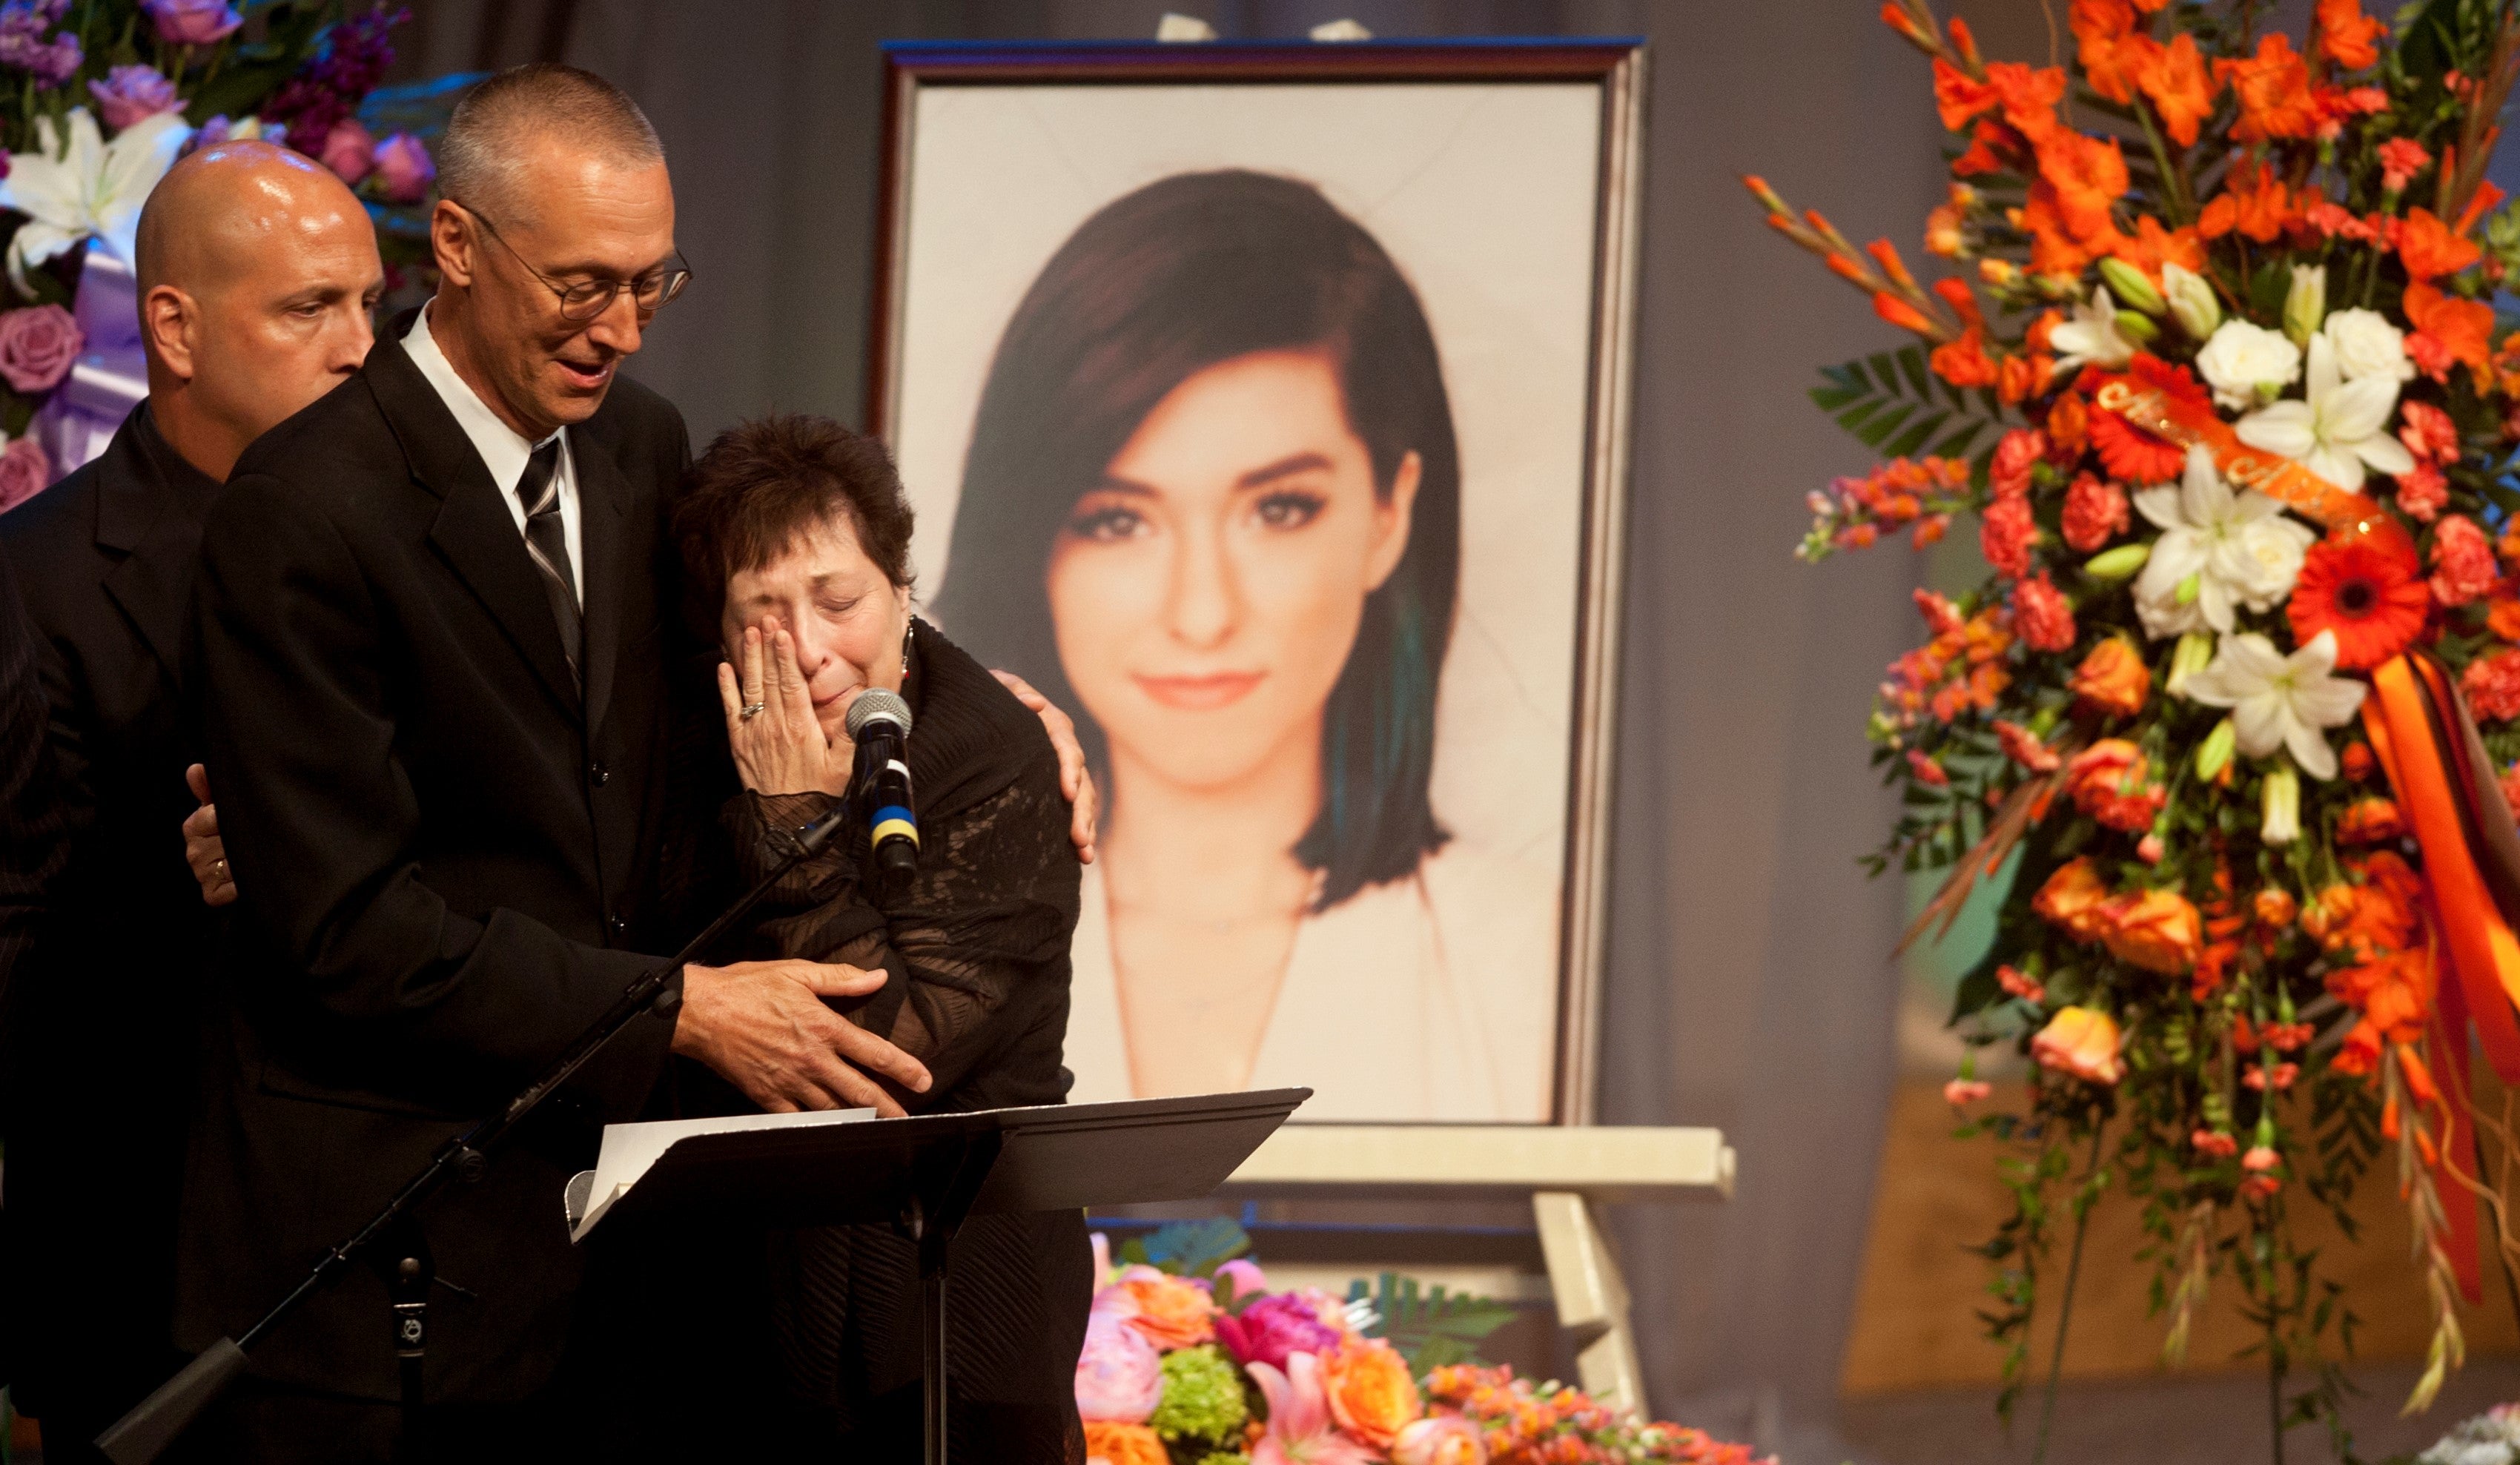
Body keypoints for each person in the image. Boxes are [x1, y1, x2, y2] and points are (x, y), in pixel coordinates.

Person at [176, 66, 936, 1460]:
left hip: (621, 1265)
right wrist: (679, 1012)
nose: (622, 330)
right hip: (392, 1261)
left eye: (655, 284)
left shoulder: (636, 445)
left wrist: (1005, 716)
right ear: (456, 247)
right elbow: (347, 931)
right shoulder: (304, 507)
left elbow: (779, 649)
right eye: (582, 286)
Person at [936, 168, 1555, 1120]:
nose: (1201, 612)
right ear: (1033, 542)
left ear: (1390, 513)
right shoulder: (931, 945)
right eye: (1117, 519)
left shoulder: (1525, 963)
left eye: (1278, 509)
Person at [0, 140, 383, 1462]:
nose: (355, 349)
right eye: (306, 309)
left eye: (368, 308)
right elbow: (24, 964)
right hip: (143, 1271)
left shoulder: (419, 558)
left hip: (389, 1261)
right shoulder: (37, 580)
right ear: (172, 326)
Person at [637, 414, 1087, 1458]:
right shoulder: (694, 732)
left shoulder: (995, 758)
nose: (807, 648)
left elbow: (889, 1048)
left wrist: (794, 820)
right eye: (762, 614)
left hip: (955, 1312)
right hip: (744, 1297)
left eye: (839, 601)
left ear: (900, 588)